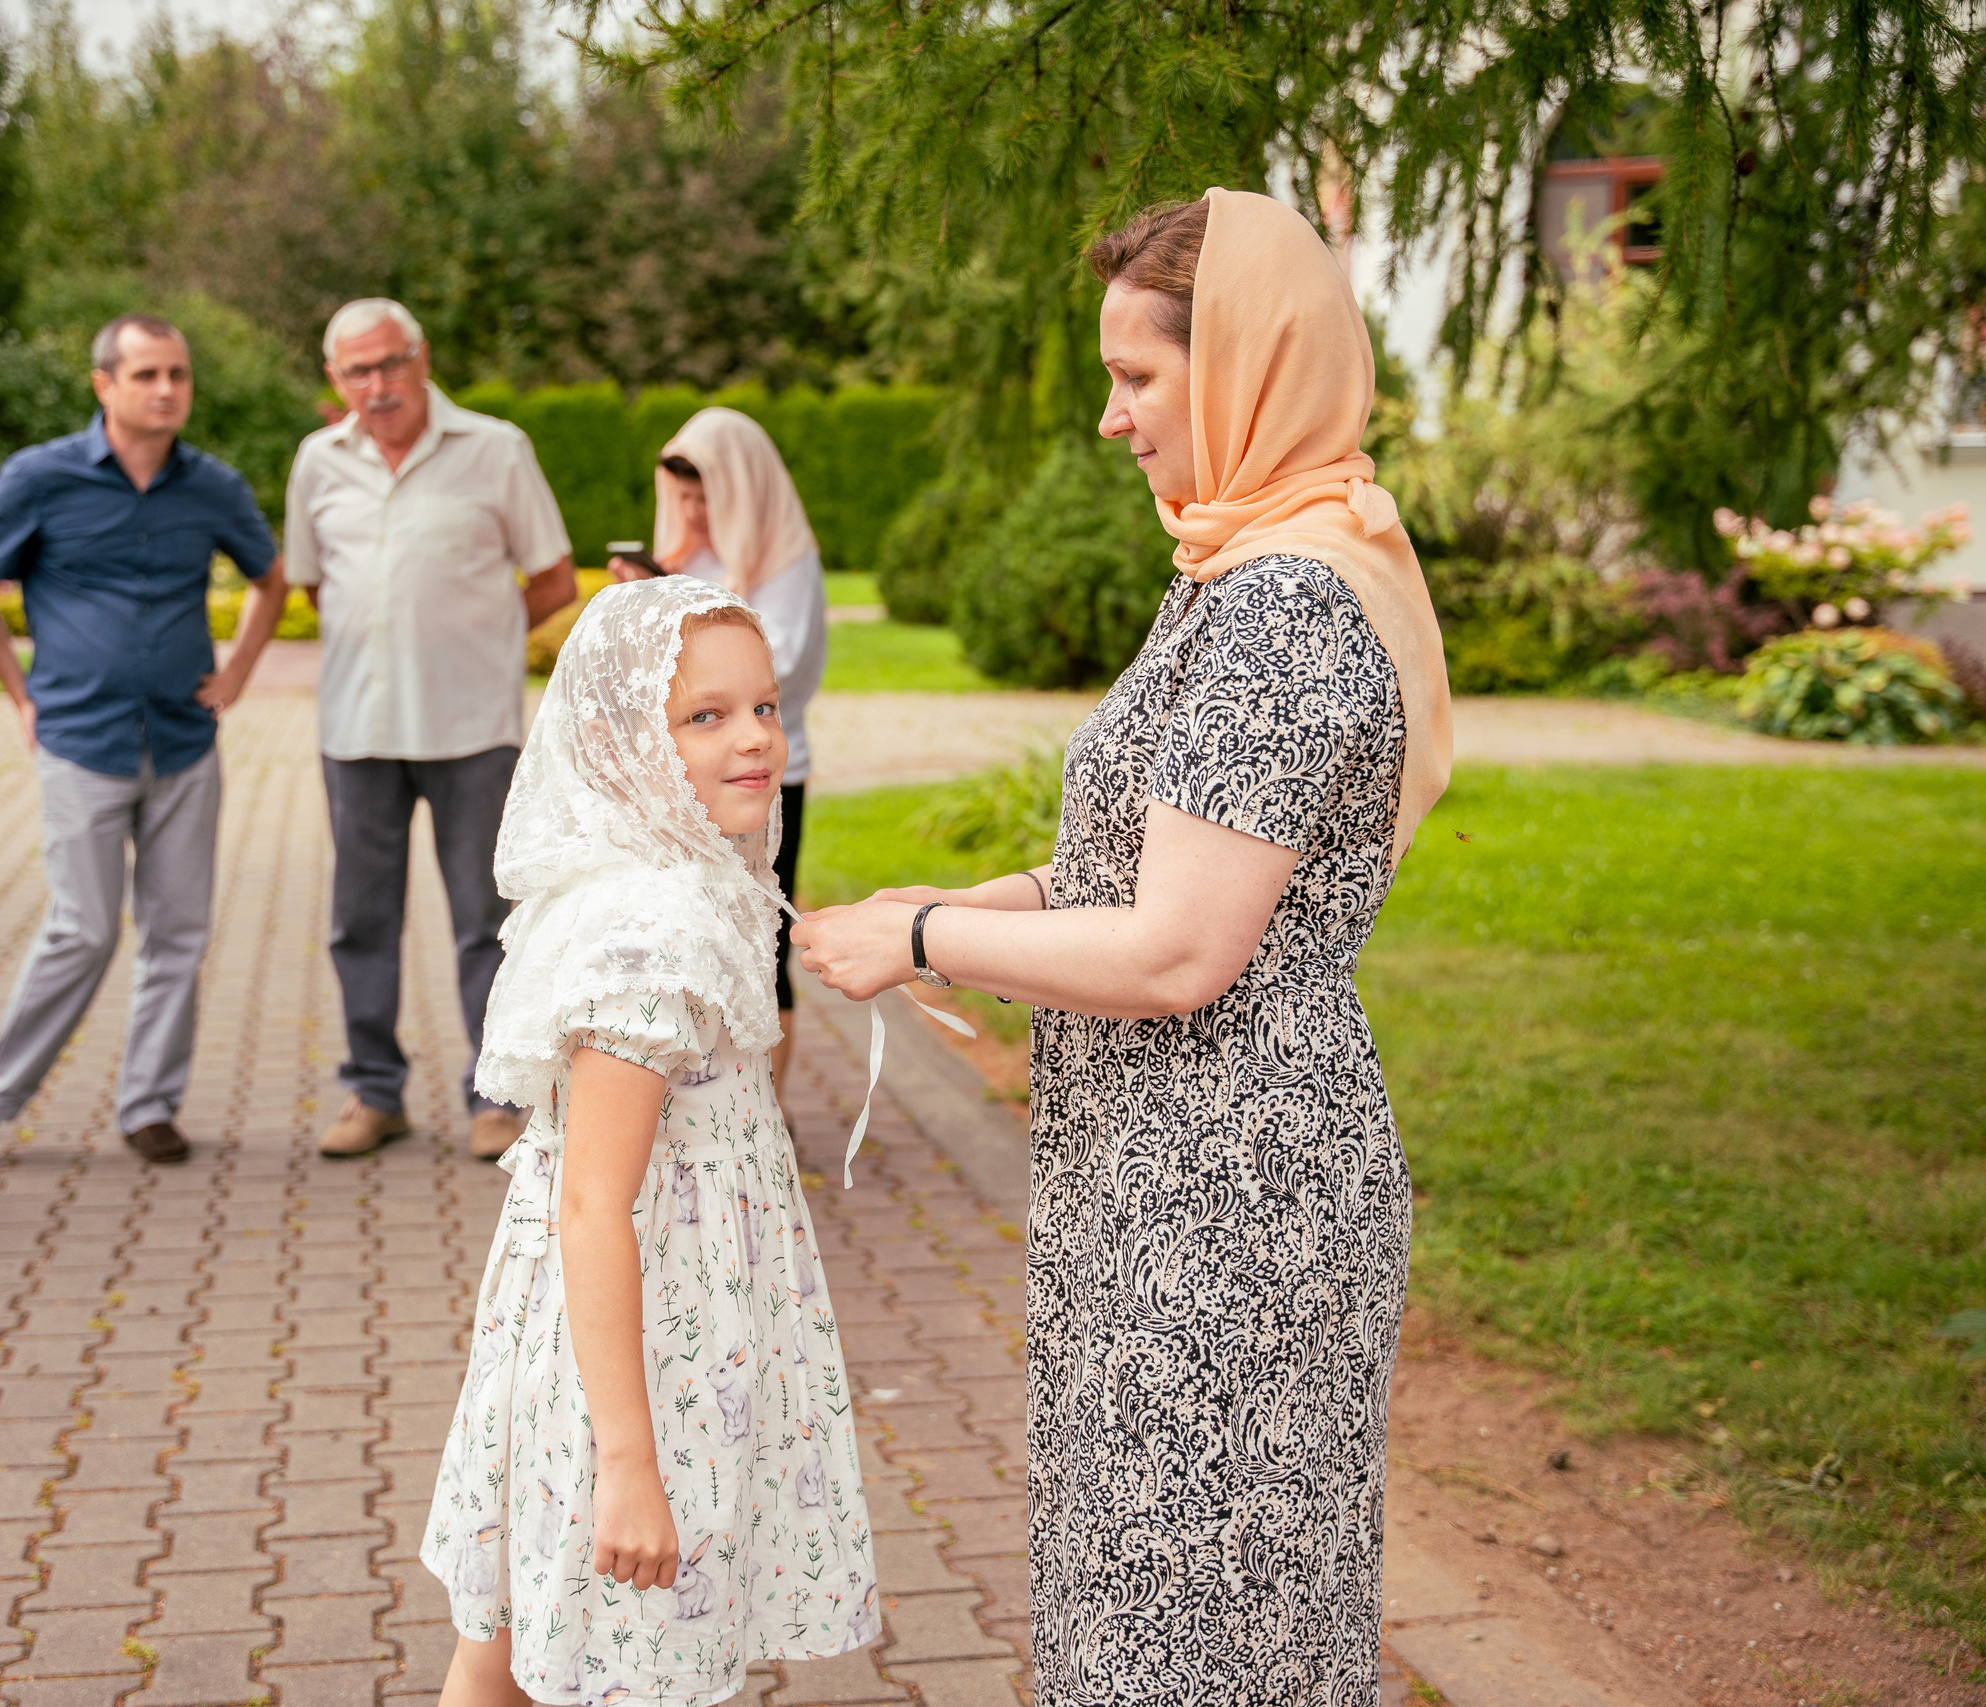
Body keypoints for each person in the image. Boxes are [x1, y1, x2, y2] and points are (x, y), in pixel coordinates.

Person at [788, 190, 1456, 1705]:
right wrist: (938, 909)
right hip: (1165, 1165)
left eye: (1138, 378)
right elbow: (1135, 872)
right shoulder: (1234, 565)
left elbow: (1175, 953)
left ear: (1238, 367)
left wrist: (930, 937)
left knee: (1207, 1622)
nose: (1110, 418)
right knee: (1161, 1600)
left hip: (1231, 1187)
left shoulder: (1287, 602)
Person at [425, 575, 875, 1707]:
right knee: (627, 1655)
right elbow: (594, 1203)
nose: (755, 740)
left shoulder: (690, 879)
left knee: (520, 1646)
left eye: (764, 707)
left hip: (651, 1330)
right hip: (643, 1359)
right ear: (622, 740)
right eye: (705, 717)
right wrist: (631, 1465)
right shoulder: (647, 933)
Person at [0, 313, 288, 1169]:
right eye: (146, 375)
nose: (166, 389)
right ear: (104, 385)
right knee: (82, 929)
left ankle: (149, 1106)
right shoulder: (40, 477)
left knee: (178, 933)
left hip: (183, 743)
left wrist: (237, 671)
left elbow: (270, 580)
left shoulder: (213, 486)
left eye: (178, 374)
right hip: (79, 743)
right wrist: (19, 695)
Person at [284, 299, 579, 1163]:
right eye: (356, 372)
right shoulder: (317, 462)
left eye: (389, 364)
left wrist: (478, 639)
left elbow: (555, 576)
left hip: (472, 728)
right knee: (359, 919)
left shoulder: (496, 448)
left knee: (484, 919)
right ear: (335, 381)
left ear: (421, 358)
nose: (377, 387)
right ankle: (373, 1092)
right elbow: (314, 587)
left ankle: (495, 1095)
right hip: (357, 729)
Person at [608, 408, 826, 1101]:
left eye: (708, 497)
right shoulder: (686, 557)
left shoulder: (787, 559)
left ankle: (767, 1102)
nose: (696, 512)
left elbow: (782, 665)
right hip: (682, 779)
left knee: (760, 941)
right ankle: (692, 1087)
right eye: (685, 498)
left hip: (764, 775)